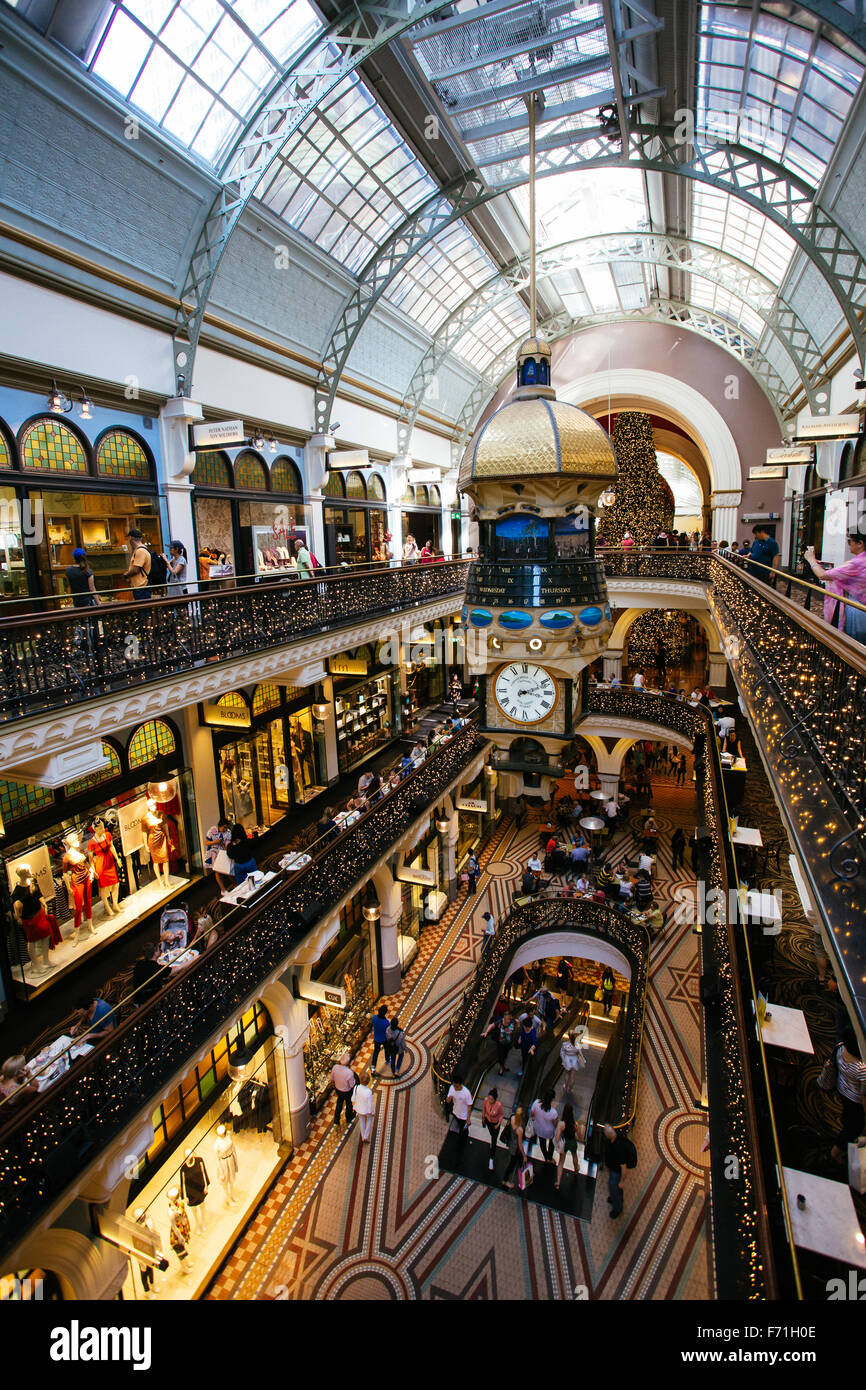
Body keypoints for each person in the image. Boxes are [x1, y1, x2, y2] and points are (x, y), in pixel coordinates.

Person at [805, 532, 866, 642]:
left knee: (854, 648)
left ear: (860, 543)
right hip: (861, 608)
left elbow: (822, 575)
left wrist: (811, 560)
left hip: (857, 610)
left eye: (849, 541)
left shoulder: (855, 564)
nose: (848, 544)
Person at [829, 1026, 866, 1163]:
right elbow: (864, 1095)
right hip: (855, 1101)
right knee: (855, 1128)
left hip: (842, 1089)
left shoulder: (841, 1049)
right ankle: (835, 1153)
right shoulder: (861, 1069)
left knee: (849, 1118)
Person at [603, 1123, 632, 1217]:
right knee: (614, 1189)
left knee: (614, 1189)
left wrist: (622, 1181)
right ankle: (615, 1198)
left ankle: (617, 1208)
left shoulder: (618, 1148)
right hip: (613, 1170)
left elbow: (624, 1167)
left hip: (616, 1173)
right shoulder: (614, 1139)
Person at [554, 1103, 582, 1191]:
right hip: (573, 1142)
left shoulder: (561, 1124)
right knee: (575, 1156)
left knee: (561, 1162)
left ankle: (558, 1182)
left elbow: (557, 1138)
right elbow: (580, 1136)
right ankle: (576, 1170)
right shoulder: (575, 1124)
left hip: (564, 1143)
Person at [501, 1106, 528, 1190]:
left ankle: (523, 1180)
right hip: (516, 1149)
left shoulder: (512, 1117)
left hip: (511, 1145)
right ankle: (505, 1180)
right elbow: (520, 1144)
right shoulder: (519, 1129)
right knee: (512, 1165)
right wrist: (524, 1155)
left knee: (517, 1163)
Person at [529, 1091, 558, 1165]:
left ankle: (546, 1158)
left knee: (542, 1144)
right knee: (551, 1144)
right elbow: (555, 1124)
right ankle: (550, 1158)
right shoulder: (553, 1112)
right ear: (552, 1099)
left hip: (538, 1128)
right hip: (549, 1131)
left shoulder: (536, 1103)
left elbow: (532, 1114)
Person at [446, 1071, 473, 1147]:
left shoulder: (466, 1093)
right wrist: (450, 1096)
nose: (455, 1088)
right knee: (460, 1127)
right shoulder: (452, 1088)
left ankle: (462, 1143)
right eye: (454, 1086)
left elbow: (469, 1106)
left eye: (457, 1086)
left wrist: (468, 1119)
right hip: (455, 1112)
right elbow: (448, 1101)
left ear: (461, 1084)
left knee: (463, 1131)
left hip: (463, 1116)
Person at [123, 528, 152, 600]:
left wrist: (126, 575)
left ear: (131, 538)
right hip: (141, 586)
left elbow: (136, 569)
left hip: (141, 587)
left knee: (143, 610)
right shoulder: (141, 549)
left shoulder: (140, 551)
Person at [205, 818, 233, 890]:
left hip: (224, 852)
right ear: (219, 826)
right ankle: (223, 890)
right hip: (215, 854)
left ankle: (234, 884)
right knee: (218, 872)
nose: (226, 829)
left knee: (229, 869)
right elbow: (206, 843)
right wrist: (215, 842)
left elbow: (228, 842)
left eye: (227, 827)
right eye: (224, 827)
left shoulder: (228, 832)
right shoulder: (212, 831)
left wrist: (226, 849)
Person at [331, 1051, 356, 1127]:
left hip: (338, 1089)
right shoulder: (349, 1073)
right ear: (348, 1063)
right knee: (348, 1103)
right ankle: (349, 1117)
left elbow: (332, 1079)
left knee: (339, 1102)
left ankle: (336, 1119)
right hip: (346, 1091)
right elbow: (352, 1085)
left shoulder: (335, 1067)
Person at [481, 1087, 504, 1170]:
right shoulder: (486, 1100)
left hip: (495, 1124)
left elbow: (501, 1115)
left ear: (495, 1099)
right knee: (492, 1135)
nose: (489, 1100)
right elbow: (483, 1108)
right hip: (488, 1121)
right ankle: (492, 1141)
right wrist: (483, 1118)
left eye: (491, 1099)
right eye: (489, 1098)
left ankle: (491, 1159)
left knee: (494, 1140)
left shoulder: (499, 1105)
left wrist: (498, 1124)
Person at [559, 1031, 583, 1097]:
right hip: (574, 1059)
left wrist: (563, 1059)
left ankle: (566, 1086)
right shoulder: (577, 1044)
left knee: (567, 1074)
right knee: (573, 1076)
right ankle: (570, 1089)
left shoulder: (565, 1044)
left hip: (567, 1059)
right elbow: (579, 1053)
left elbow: (562, 1053)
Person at [371, 1003, 390, 1076]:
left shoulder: (374, 1018)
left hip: (376, 1038)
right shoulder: (386, 1022)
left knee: (375, 1054)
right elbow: (387, 1030)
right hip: (384, 1038)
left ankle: (373, 1070)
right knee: (386, 1049)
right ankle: (387, 1059)